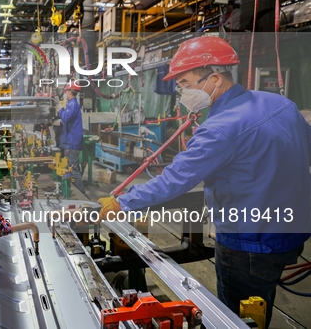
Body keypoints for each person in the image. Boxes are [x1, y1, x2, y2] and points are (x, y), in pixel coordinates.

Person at [98, 37, 311, 327]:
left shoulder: (220, 129)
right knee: (261, 303)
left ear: (214, 78)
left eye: (185, 83)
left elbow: (174, 181)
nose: (182, 92)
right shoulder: (281, 104)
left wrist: (122, 202)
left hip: (248, 244)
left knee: (237, 318)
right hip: (291, 232)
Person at [54, 82, 88, 197]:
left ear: (70, 92)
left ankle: (82, 194)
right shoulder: (70, 104)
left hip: (72, 143)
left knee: (73, 170)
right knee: (70, 168)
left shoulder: (73, 104)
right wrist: (57, 122)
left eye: (66, 92)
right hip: (69, 141)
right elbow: (67, 121)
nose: (65, 94)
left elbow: (66, 117)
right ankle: (77, 192)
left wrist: (58, 108)